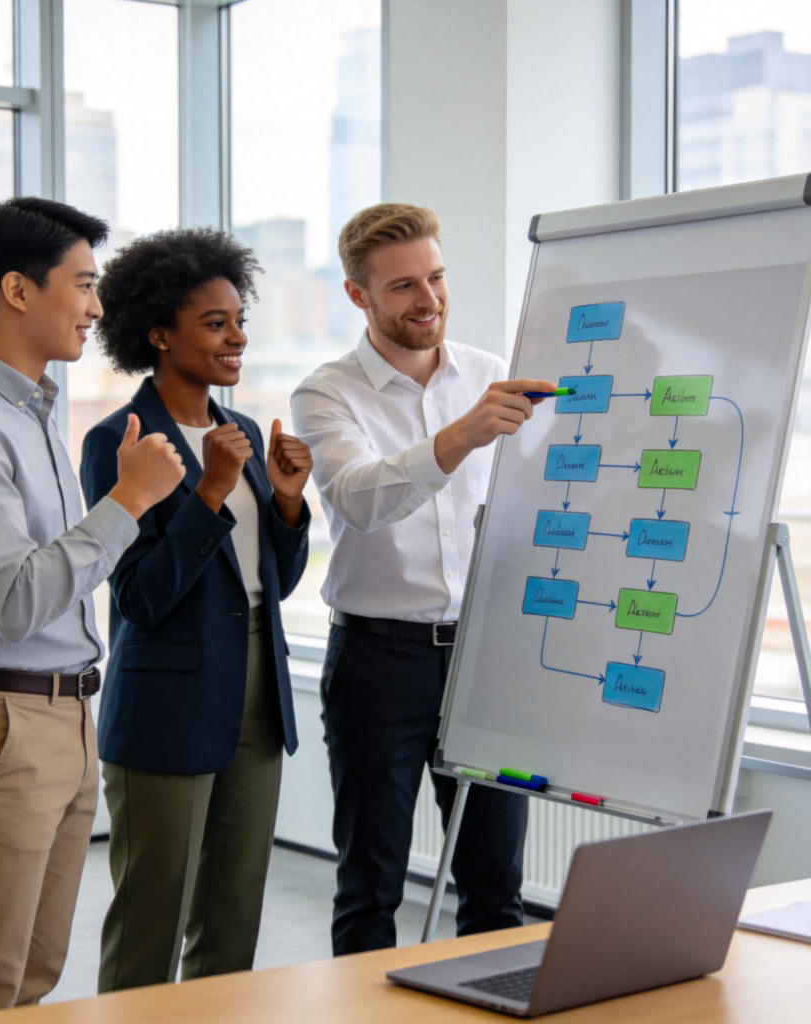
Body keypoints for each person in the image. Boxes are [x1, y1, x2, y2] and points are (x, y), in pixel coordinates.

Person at [0, 197, 186, 1021]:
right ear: (18, 291)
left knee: (32, 977)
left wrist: (121, 504)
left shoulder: (32, 411)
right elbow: (16, 600)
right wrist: (128, 502)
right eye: (83, 284)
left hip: (61, 715)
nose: (97, 307)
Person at [290, 202, 556, 956]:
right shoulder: (326, 392)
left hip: (485, 657)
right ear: (358, 296)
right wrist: (463, 434)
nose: (429, 298)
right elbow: (359, 498)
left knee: (494, 881)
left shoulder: (489, 374)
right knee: (369, 884)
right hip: (379, 663)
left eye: (436, 277)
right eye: (404, 285)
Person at [79, 227, 312, 990]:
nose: (236, 337)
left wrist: (284, 502)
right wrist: (210, 491)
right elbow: (141, 597)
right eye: (216, 324)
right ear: (158, 333)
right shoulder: (119, 438)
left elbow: (273, 582)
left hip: (256, 687)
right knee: (153, 913)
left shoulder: (240, 431)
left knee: (234, 909)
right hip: (168, 697)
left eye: (239, 320)